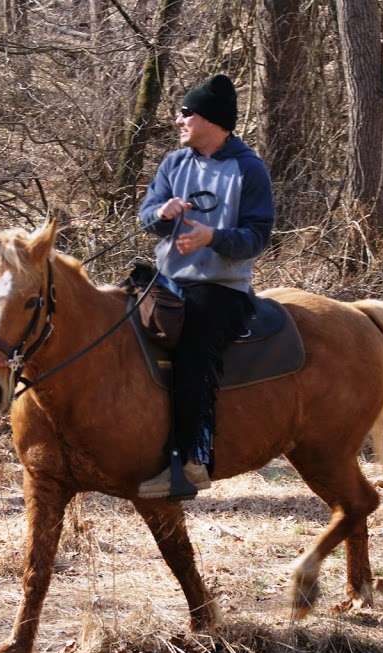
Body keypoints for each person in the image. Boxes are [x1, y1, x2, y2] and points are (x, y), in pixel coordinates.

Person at [135, 74, 274, 499]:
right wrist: (163, 212)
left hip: (220, 288)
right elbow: (145, 219)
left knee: (193, 350)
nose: (178, 120)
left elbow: (258, 236)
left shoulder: (248, 169)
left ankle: (188, 464)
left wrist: (213, 239)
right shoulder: (173, 164)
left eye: (185, 112)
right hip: (168, 279)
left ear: (211, 119)